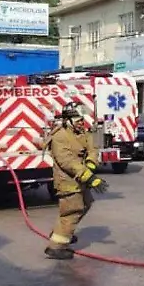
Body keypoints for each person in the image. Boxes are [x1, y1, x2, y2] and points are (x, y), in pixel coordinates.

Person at [44, 102, 109, 260]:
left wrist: (91, 163)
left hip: (80, 178)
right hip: (67, 180)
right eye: (78, 119)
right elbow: (67, 162)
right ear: (68, 120)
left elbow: (92, 148)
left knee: (86, 203)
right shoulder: (60, 137)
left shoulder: (82, 133)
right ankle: (56, 247)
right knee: (72, 211)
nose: (82, 122)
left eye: (82, 119)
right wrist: (90, 177)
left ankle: (63, 232)